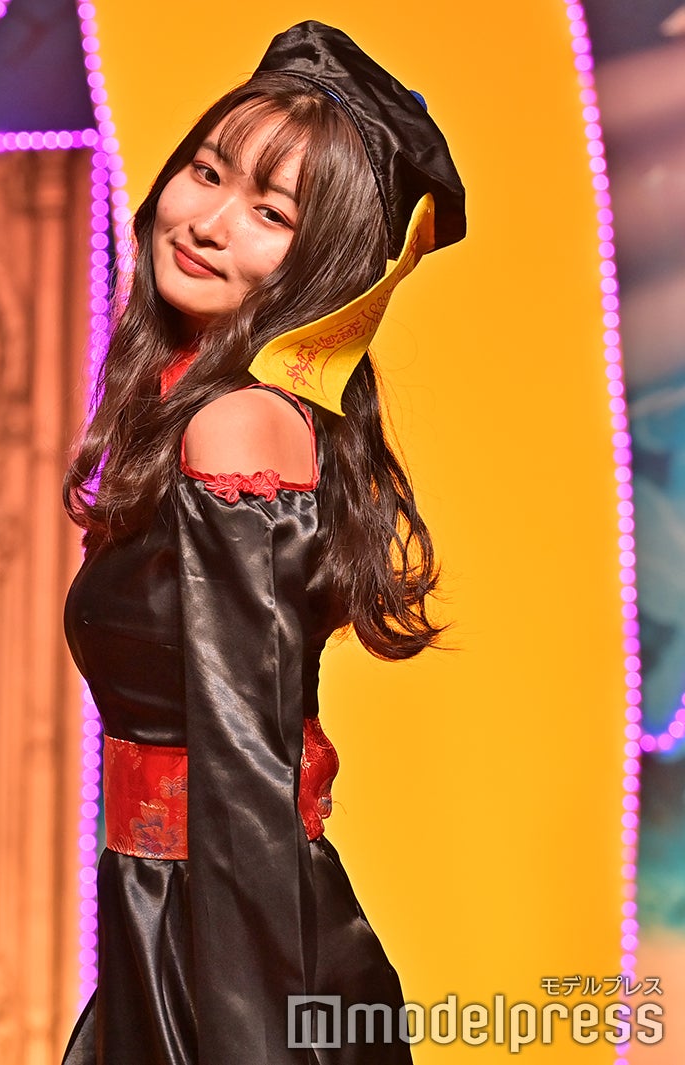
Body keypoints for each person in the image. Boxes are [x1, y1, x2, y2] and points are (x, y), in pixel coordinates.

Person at [61, 22, 465, 1065]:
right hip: (175, 919)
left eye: (271, 212)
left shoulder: (237, 426)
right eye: (206, 172)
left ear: (323, 267)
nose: (209, 222)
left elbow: (245, 774)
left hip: (234, 953)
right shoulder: (187, 407)